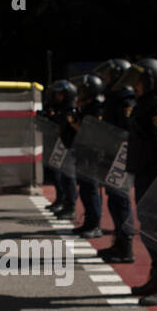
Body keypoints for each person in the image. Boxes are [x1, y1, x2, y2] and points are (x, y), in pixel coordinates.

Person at [118, 58, 157, 306]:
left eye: (139, 81)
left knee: (156, 228)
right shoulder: (147, 105)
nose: (135, 86)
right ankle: (156, 276)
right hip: (146, 174)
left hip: (156, 176)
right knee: (149, 228)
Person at [92, 59, 138, 263]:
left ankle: (126, 246)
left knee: (120, 201)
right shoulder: (114, 98)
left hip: (120, 156)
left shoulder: (125, 99)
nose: (106, 79)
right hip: (112, 155)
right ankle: (119, 243)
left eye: (109, 75)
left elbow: (125, 131)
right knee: (114, 200)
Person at [71, 73, 107, 238]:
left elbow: (92, 131)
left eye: (84, 90)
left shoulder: (97, 107)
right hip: (83, 153)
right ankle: (88, 222)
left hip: (92, 154)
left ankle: (95, 225)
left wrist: (75, 125)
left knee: (91, 190)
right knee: (85, 190)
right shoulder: (85, 106)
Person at [45, 80, 79, 218]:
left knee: (69, 178)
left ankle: (70, 206)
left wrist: (54, 119)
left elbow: (65, 124)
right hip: (63, 145)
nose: (57, 97)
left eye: (60, 94)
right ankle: (64, 203)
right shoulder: (61, 108)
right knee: (62, 177)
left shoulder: (70, 109)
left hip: (70, 147)